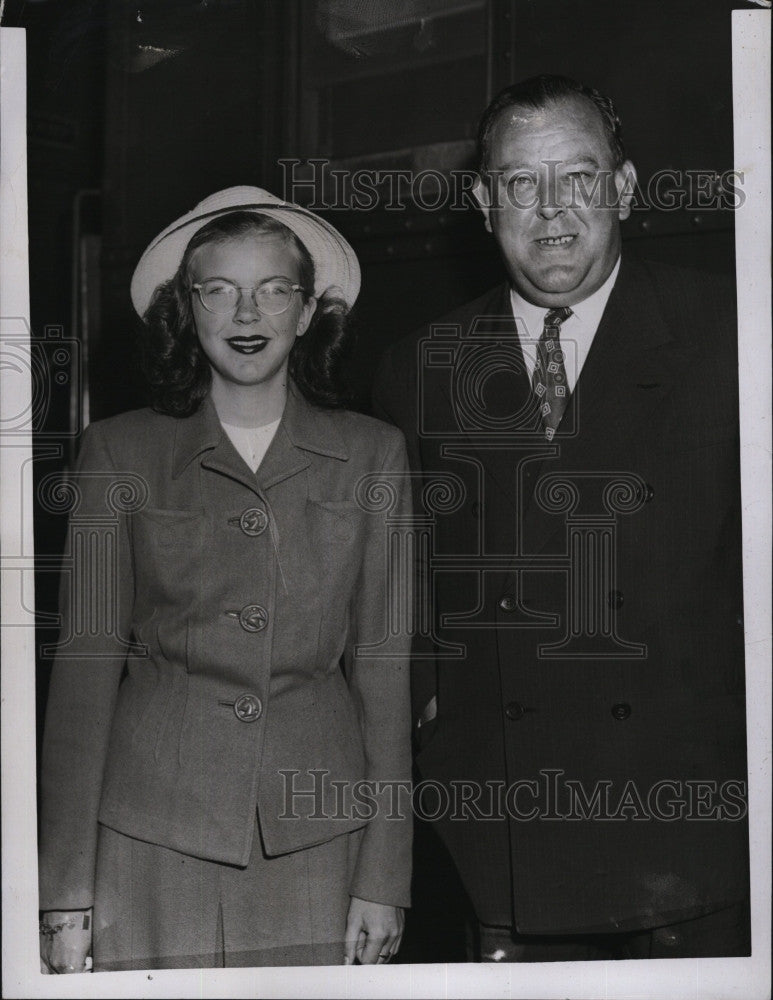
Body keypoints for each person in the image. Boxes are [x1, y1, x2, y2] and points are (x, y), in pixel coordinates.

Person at [373, 75, 749, 961]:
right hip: (503, 836)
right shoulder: (419, 364)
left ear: (621, 186)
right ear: (480, 199)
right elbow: (406, 594)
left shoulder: (732, 333)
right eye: (517, 182)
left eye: (577, 177)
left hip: (691, 833)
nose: (549, 211)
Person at [38, 186, 412, 971]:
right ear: (187, 309)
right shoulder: (119, 451)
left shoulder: (373, 454)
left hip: (315, 838)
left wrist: (385, 876)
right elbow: (84, 672)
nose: (248, 313)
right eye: (219, 290)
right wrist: (64, 888)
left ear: (308, 313)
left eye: (273, 289)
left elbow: (383, 675)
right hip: (147, 838)